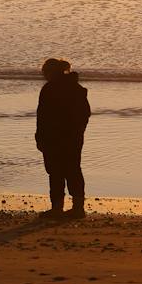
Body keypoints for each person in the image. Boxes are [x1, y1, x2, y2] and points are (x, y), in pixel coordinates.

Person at [35, 58, 90, 219]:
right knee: (73, 170)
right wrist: (79, 131)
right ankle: (78, 208)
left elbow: (42, 117)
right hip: (73, 137)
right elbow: (85, 114)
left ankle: (57, 208)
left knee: (56, 172)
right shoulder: (77, 88)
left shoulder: (49, 89)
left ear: (50, 72)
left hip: (54, 137)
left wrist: (39, 137)